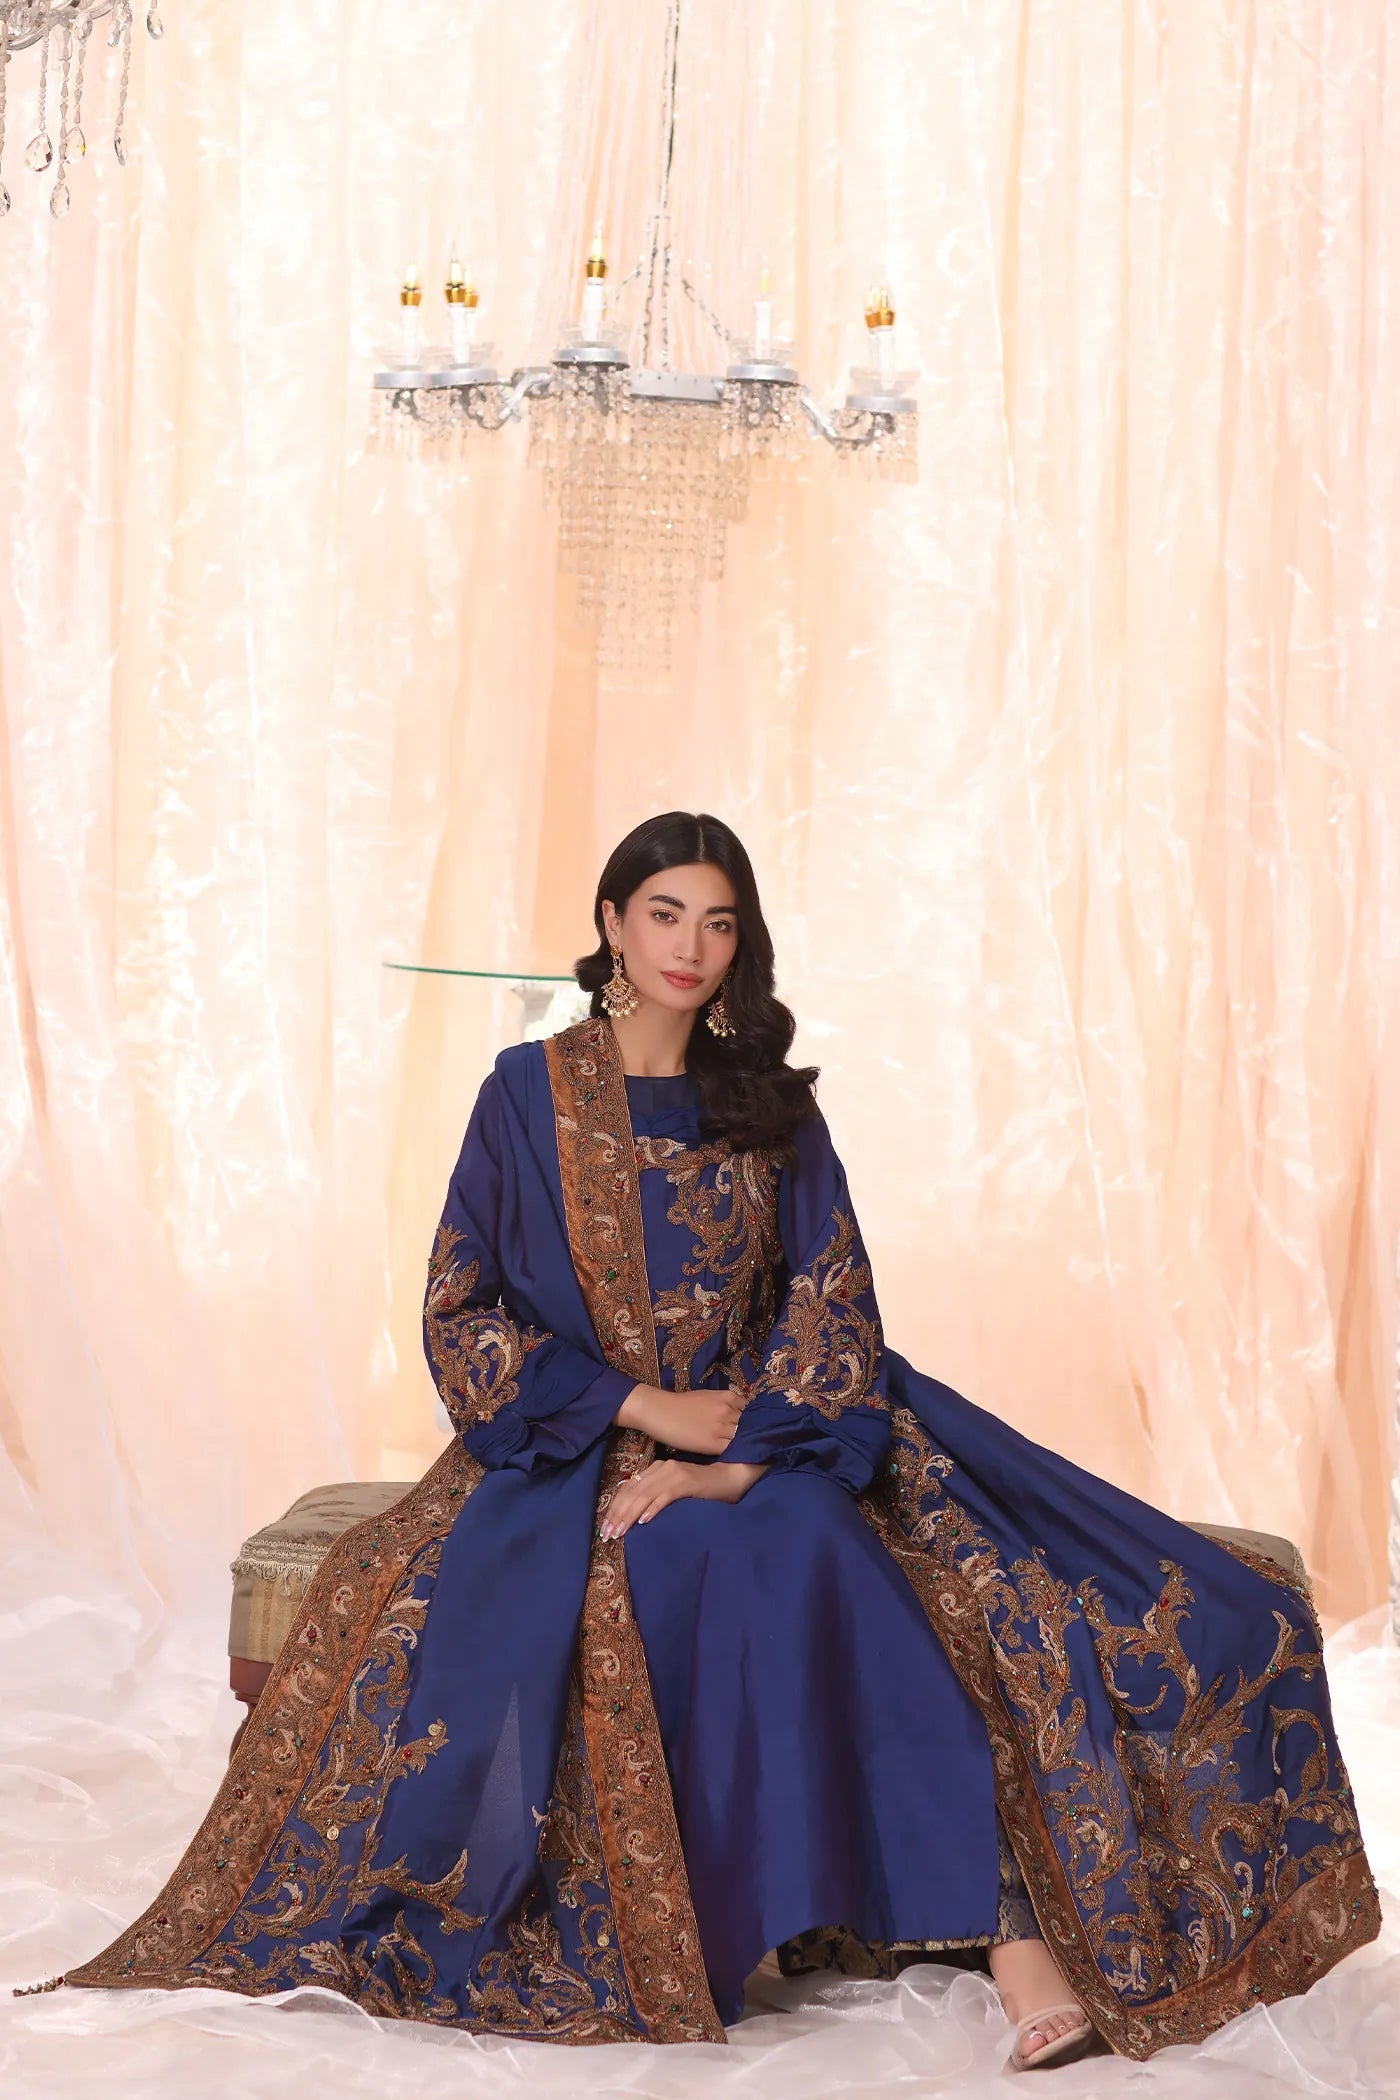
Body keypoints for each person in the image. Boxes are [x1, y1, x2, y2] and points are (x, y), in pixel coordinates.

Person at [18, 811, 1379, 2069]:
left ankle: (1007, 1930)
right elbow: (460, 1308)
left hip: (779, 1433)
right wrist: (643, 1413)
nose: (690, 946)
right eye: (664, 914)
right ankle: (832, 1924)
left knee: (863, 1546)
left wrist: (732, 1458)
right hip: (574, 1448)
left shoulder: (769, 1105)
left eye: (719, 922)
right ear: (612, 924)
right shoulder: (527, 1097)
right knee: (712, 1563)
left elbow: (832, 1299)